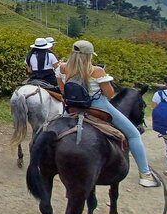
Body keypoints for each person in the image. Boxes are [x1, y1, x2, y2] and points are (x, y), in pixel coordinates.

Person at [57, 40, 160, 187]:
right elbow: (110, 94)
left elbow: (62, 90)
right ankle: (145, 174)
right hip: (99, 107)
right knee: (133, 135)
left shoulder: (62, 68)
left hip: (72, 108)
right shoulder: (97, 71)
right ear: (89, 56)